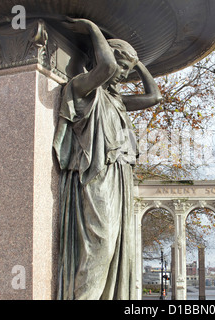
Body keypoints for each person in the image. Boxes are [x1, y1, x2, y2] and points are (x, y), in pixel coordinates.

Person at [53, 18, 162, 300]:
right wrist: (91, 28)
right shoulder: (82, 89)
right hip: (97, 175)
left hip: (119, 177)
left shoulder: (116, 101)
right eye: (122, 67)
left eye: (127, 71)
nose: (123, 76)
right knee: (99, 246)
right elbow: (108, 68)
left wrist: (136, 61)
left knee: (116, 248)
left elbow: (154, 96)